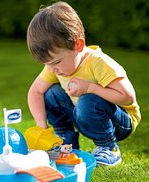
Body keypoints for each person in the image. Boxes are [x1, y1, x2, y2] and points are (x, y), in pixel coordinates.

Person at [26, 1, 141, 166]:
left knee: (88, 100)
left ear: (78, 45)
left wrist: (90, 88)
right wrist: (41, 124)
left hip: (120, 121)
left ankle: (109, 147)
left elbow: (127, 97)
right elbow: (35, 92)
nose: (52, 69)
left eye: (56, 62)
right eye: (47, 64)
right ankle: (65, 142)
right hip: (84, 114)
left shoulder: (98, 63)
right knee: (50, 93)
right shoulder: (54, 67)